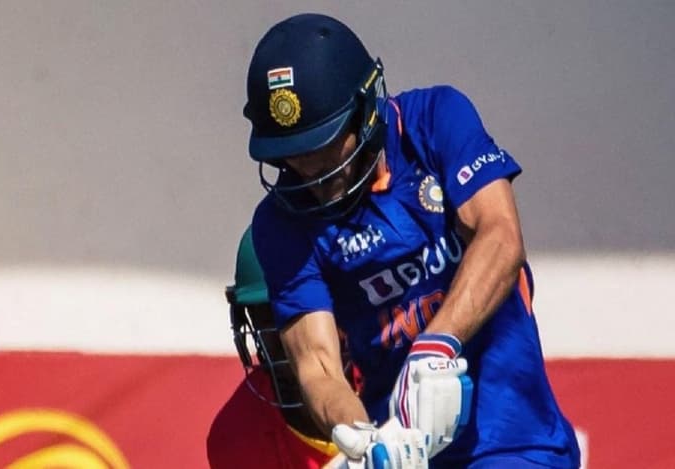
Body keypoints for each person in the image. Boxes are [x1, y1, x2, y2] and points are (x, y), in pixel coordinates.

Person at [243, 12, 581, 469]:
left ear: (365, 110)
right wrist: (360, 437)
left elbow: (499, 235)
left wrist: (436, 345)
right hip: (405, 448)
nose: (311, 174)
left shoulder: (436, 121)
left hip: (515, 444)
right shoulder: (279, 223)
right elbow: (318, 365)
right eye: (292, 157)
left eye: (323, 147)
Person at [206, 226, 354, 468]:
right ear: (250, 321)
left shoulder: (394, 376)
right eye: (271, 316)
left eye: (306, 309)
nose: (294, 334)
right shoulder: (236, 438)